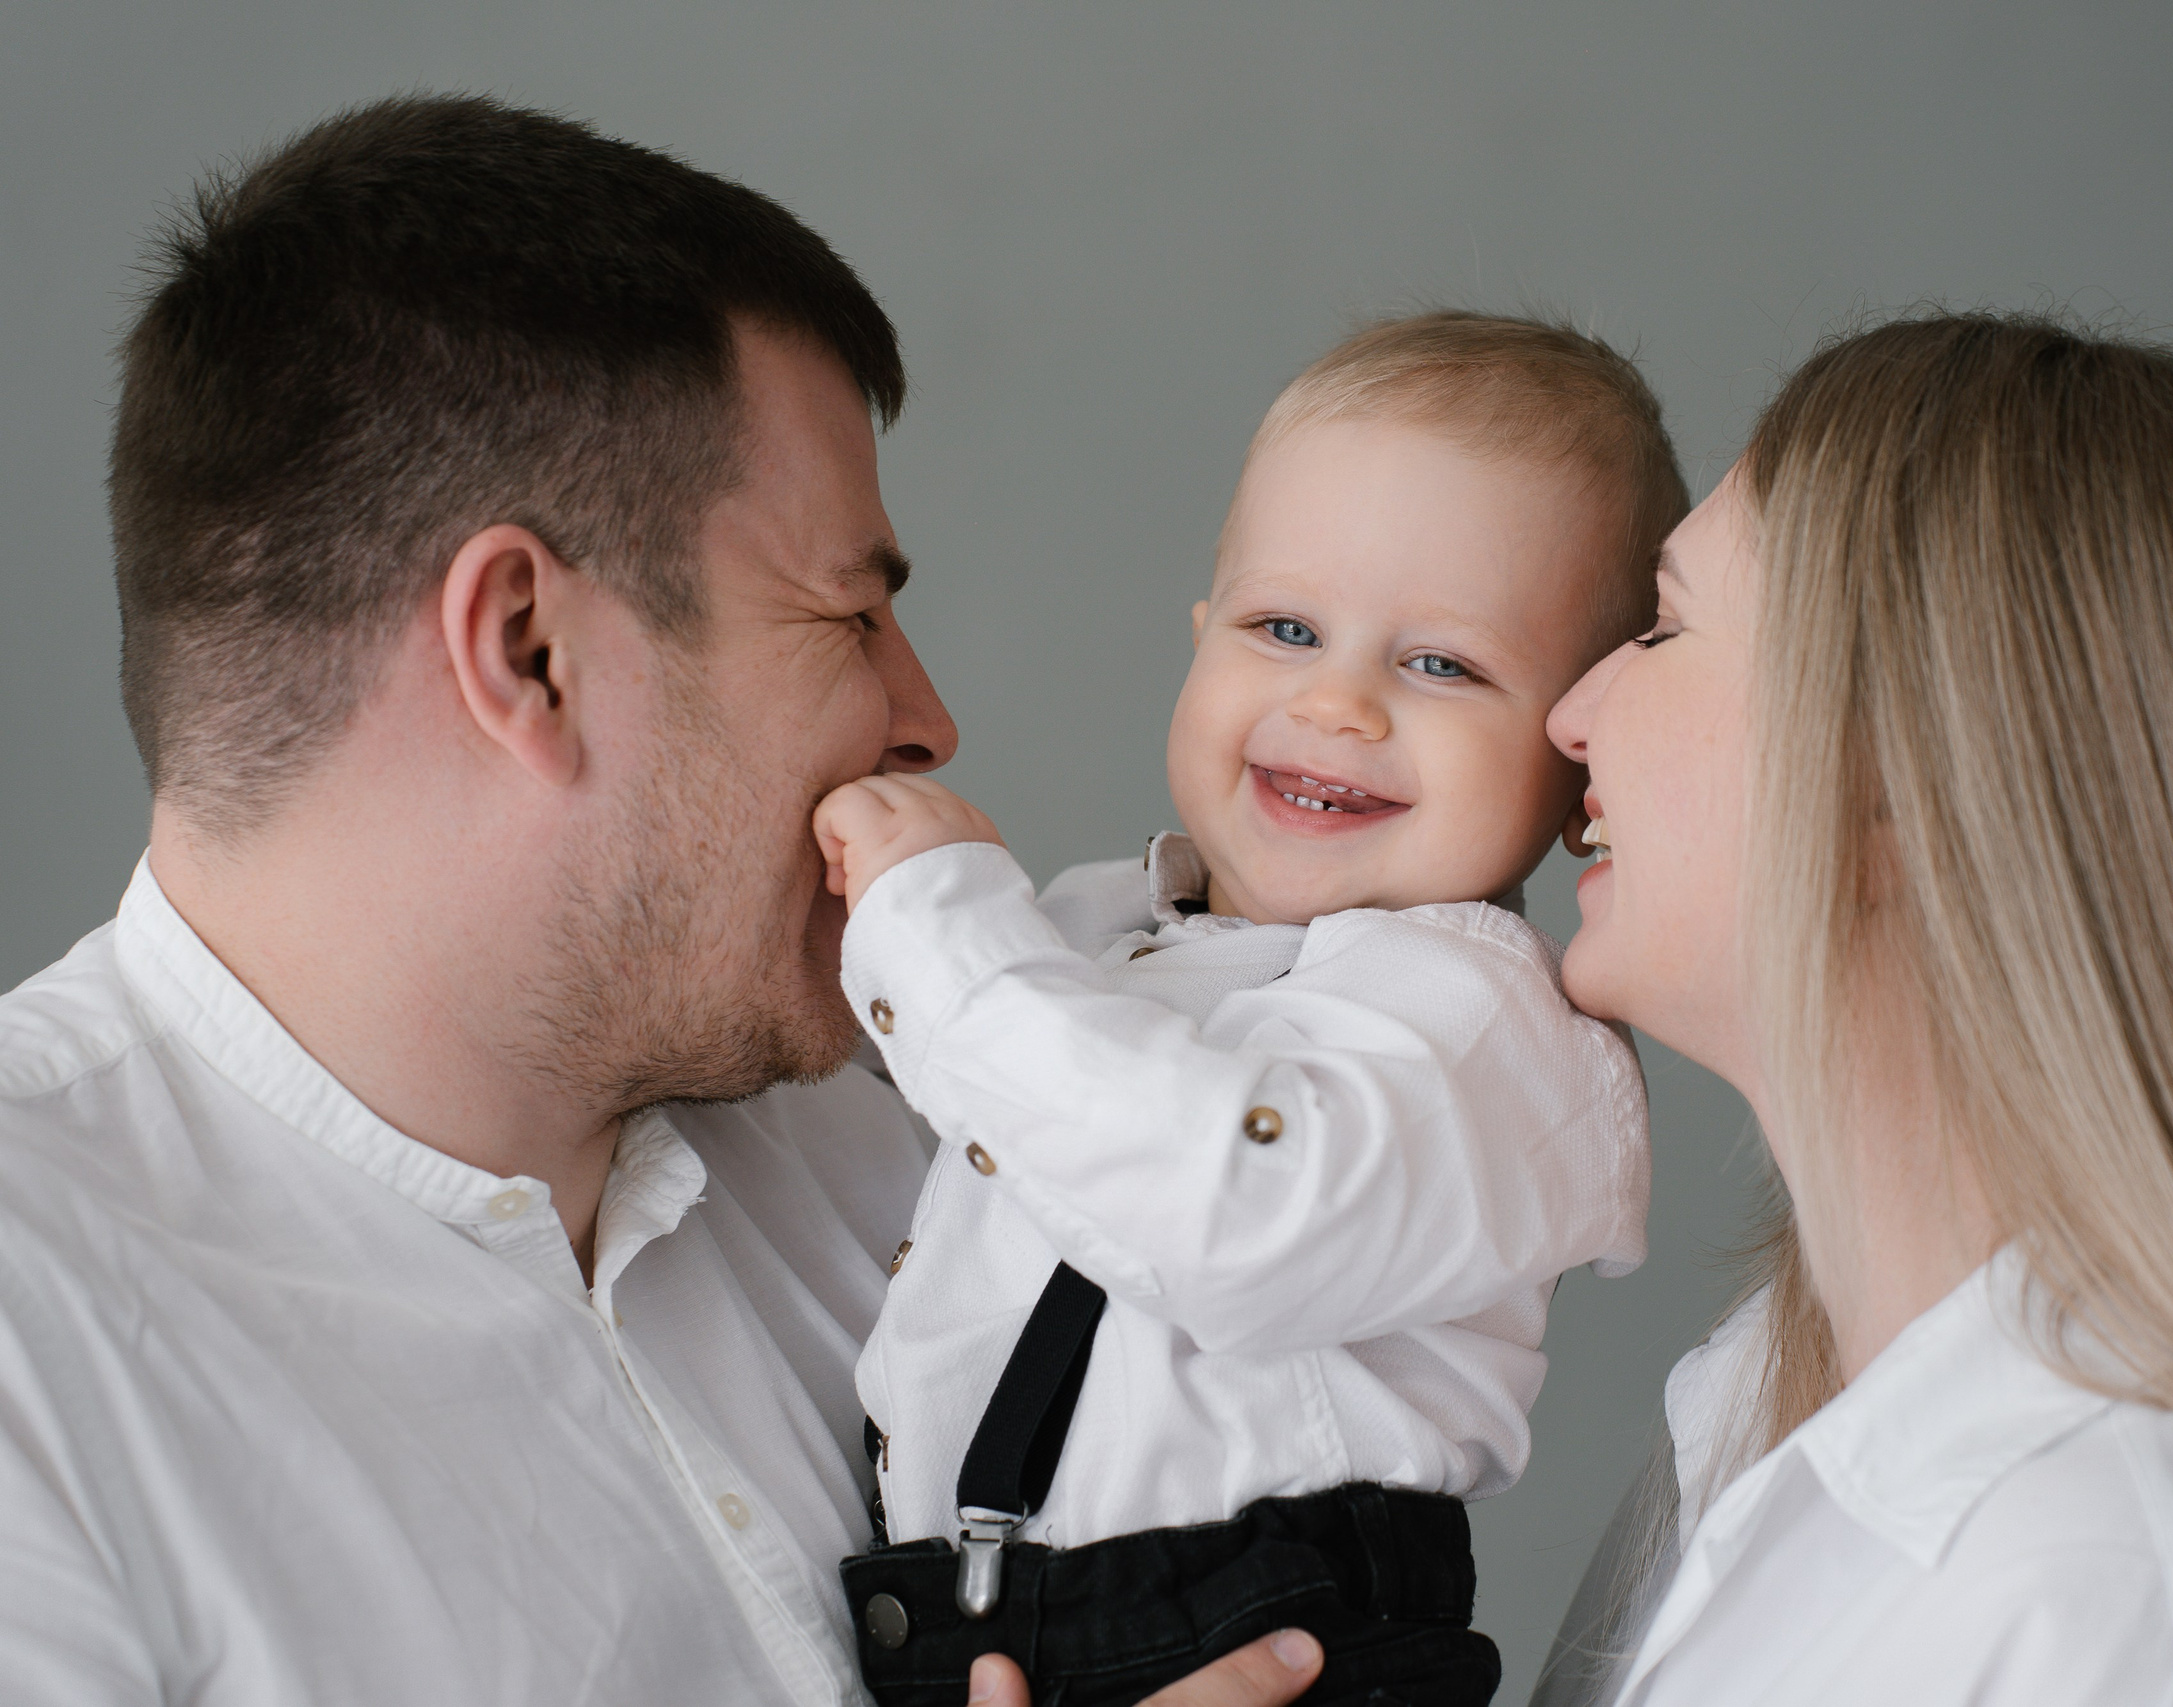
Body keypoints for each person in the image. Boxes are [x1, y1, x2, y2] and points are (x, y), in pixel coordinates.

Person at [0, 94, 1311, 1707]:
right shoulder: (32, 1359)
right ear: (527, 655)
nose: (927, 719)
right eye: (849, 618)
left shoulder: (921, 1172)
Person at [1526, 311, 2173, 1706]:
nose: (1569, 714)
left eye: (1664, 626)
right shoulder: (1763, 1437)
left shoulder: (2143, 1626)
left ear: (1903, 783)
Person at [808, 314, 1684, 1707]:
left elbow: (1240, 1210)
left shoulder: (1497, 1033)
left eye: (1442, 664)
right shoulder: (1093, 933)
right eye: (1285, 628)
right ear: (1199, 637)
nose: (1335, 703)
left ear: (1574, 757)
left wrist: (933, 926)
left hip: (1268, 1644)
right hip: (966, 1625)